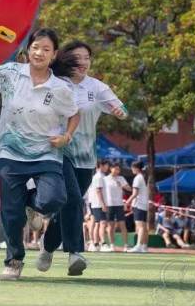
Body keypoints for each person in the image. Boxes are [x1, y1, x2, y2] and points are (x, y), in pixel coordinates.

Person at [0, 27, 79, 280]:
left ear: (53, 55)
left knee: (54, 199)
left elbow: (74, 113)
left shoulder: (60, 88)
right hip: (11, 154)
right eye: (35, 47)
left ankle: (35, 207)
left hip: (46, 153)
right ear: (28, 49)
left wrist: (67, 136)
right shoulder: (11, 73)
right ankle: (14, 260)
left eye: (46, 49)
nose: (39, 52)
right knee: (10, 212)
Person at [38, 40, 127, 273]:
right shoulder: (56, 84)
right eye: (78, 58)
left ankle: (47, 247)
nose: (83, 63)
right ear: (67, 60)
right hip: (59, 151)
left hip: (86, 157)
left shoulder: (96, 87)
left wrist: (119, 112)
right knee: (74, 200)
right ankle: (75, 253)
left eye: (87, 58)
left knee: (69, 205)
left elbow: (122, 109)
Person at [103, 162, 131, 252]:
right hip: (109, 205)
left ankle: (126, 245)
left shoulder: (121, 178)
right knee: (110, 226)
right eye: (115, 168)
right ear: (111, 169)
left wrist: (123, 186)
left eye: (118, 169)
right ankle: (112, 245)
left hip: (119, 204)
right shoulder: (105, 179)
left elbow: (129, 188)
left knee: (122, 225)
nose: (117, 171)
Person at [124, 161, 150, 253]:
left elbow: (135, 193)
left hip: (139, 205)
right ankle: (144, 246)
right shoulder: (142, 177)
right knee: (143, 226)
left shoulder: (137, 178)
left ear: (136, 168)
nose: (132, 169)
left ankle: (139, 245)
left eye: (132, 167)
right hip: (142, 205)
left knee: (140, 226)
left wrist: (127, 202)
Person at [85, 160, 109, 252]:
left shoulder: (99, 176)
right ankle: (102, 243)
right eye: (106, 165)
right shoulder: (99, 177)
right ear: (101, 166)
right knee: (102, 223)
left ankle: (95, 243)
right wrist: (103, 204)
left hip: (96, 204)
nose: (107, 167)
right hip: (98, 204)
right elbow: (98, 191)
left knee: (98, 223)